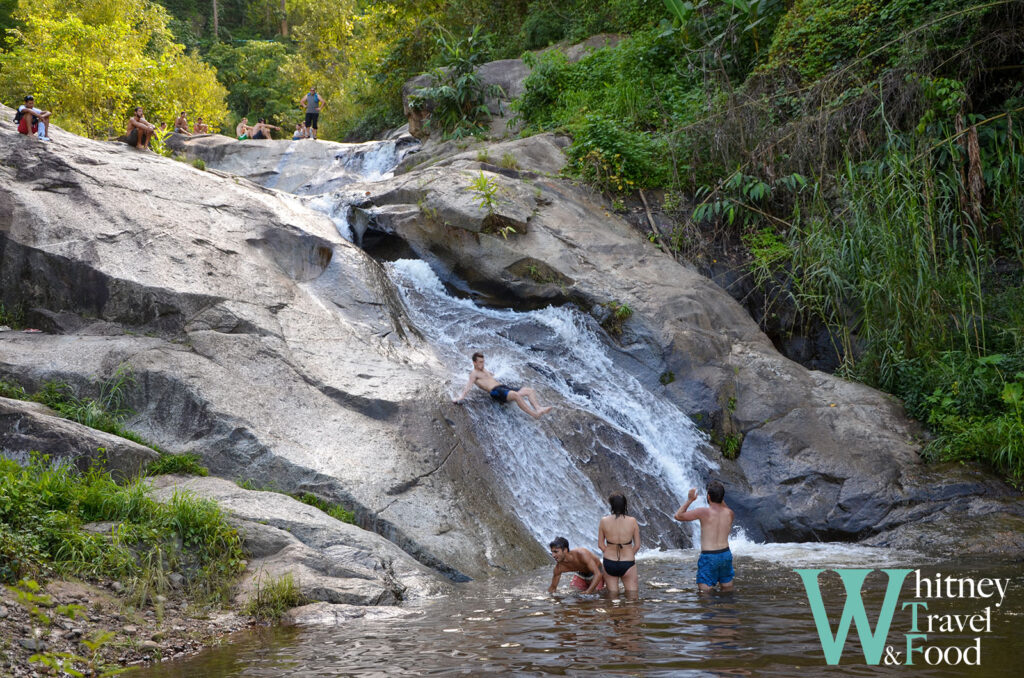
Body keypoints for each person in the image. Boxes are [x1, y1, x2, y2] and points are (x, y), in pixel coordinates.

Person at [674, 480, 735, 593]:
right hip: (725, 554)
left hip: (709, 556)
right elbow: (723, 505)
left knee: (705, 594)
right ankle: (728, 609)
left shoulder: (703, 512)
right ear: (722, 497)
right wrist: (719, 496)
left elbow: (678, 516)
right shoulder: (729, 513)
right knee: (727, 589)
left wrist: (690, 500)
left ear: (708, 496)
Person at [453, 352, 552, 419]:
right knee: (515, 395)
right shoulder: (474, 374)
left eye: (483, 362)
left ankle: (538, 408)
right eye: (480, 362)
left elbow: (492, 376)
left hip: (503, 388)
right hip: (495, 392)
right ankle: (534, 414)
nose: (482, 364)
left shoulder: (484, 369)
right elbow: (468, 386)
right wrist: (461, 397)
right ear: (474, 362)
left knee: (529, 390)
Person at [598, 492, 640, 594]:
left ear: (611, 505)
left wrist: (608, 551)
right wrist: (629, 553)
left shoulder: (604, 521)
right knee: (632, 597)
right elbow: (637, 545)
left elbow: (600, 544)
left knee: (613, 597)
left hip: (609, 562)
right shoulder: (632, 521)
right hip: (628, 562)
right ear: (625, 505)